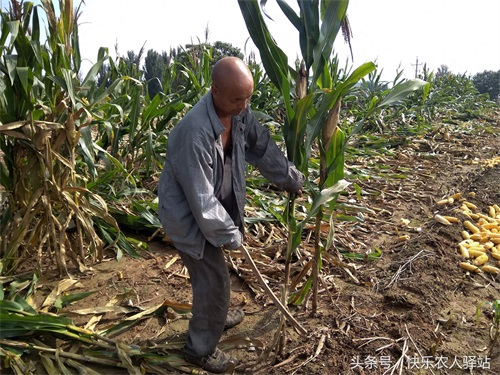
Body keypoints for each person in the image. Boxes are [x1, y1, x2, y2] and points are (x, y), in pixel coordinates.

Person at [158, 56, 304, 373]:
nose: (243, 105)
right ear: (215, 91)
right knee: (214, 281)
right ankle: (199, 348)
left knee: (214, 278)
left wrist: (290, 180)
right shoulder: (194, 133)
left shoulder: (238, 114)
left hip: (213, 210)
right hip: (188, 217)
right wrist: (231, 235)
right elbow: (200, 199)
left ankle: (217, 317)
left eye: (247, 97)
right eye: (237, 98)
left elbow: (262, 148)